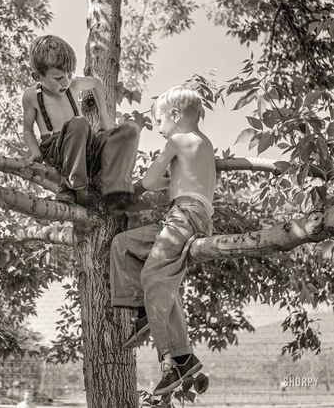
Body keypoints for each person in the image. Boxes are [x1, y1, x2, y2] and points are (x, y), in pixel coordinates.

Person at [110, 86, 216, 396]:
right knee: (123, 244)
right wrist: (172, 181)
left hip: (184, 215)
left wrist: (131, 192)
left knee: (154, 276)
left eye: (159, 121)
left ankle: (174, 359)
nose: (158, 128)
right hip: (185, 216)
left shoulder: (177, 140)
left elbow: (151, 181)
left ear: (174, 116)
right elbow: (187, 180)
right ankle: (145, 311)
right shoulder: (204, 144)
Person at [22, 35, 141, 212]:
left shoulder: (74, 85)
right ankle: (72, 186)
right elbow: (28, 130)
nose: (66, 81)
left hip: (87, 151)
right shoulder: (31, 96)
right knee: (78, 122)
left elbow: (97, 84)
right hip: (57, 150)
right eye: (59, 78)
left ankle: (116, 190)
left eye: (69, 75)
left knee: (130, 129)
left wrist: (104, 118)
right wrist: (35, 153)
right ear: (38, 76)